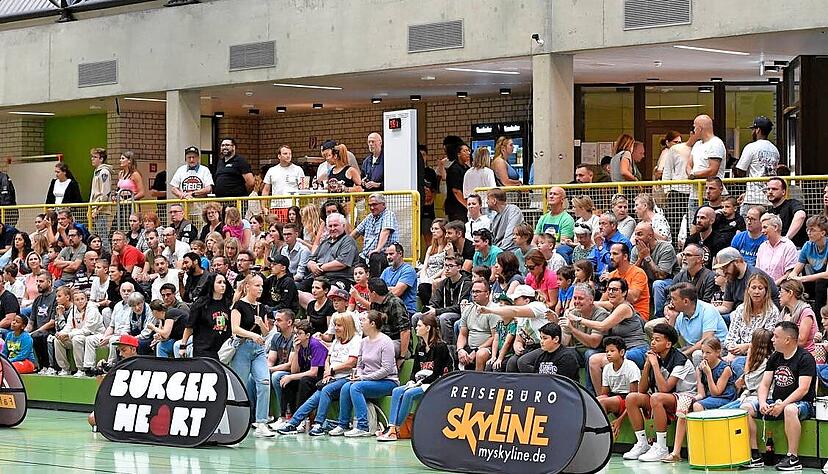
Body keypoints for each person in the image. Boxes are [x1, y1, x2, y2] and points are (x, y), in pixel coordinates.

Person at [742, 321, 817, 471]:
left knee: (790, 409)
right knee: (745, 408)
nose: (772, 339)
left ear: (787, 340)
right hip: (777, 401)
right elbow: (764, 385)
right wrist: (763, 402)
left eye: (776, 336)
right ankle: (755, 454)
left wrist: (782, 405)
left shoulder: (805, 358)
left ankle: (793, 457)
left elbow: (803, 389)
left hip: (803, 404)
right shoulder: (775, 357)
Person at [275, 313, 360, 436]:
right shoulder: (337, 340)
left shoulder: (355, 340)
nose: (336, 328)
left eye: (339, 325)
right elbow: (328, 359)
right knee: (315, 397)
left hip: (346, 377)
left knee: (324, 390)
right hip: (331, 376)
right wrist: (328, 373)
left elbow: (351, 363)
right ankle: (293, 423)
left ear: (347, 326)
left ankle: (318, 424)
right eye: (335, 325)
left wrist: (331, 370)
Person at [622, 323, 697, 462]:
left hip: (686, 397)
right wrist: (647, 365)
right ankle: (642, 443)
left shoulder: (680, 360)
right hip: (664, 397)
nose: (653, 342)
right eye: (652, 339)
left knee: (657, 397)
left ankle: (661, 447)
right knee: (632, 398)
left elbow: (665, 389)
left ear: (668, 344)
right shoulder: (654, 358)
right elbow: (642, 390)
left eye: (657, 339)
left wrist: (655, 365)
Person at [378, 313, 451, 441]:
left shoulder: (440, 347)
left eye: (419, 326)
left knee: (408, 394)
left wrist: (418, 383)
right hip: (421, 382)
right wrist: (412, 381)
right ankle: (391, 428)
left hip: (436, 383)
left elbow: (437, 374)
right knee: (397, 391)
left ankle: (396, 430)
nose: (416, 328)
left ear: (428, 328)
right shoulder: (420, 346)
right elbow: (415, 370)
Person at [663, 337, 737, 463]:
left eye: (708, 352)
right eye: (703, 352)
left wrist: (708, 374)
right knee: (685, 406)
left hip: (725, 399)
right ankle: (676, 452)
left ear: (718, 352)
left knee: (697, 406)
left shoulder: (725, 369)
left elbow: (716, 392)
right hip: (708, 399)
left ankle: (700, 449)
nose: (704, 356)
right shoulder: (700, 368)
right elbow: (701, 393)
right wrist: (688, 400)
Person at [328, 310, 399, 437]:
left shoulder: (386, 341)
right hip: (367, 379)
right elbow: (360, 365)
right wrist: (358, 375)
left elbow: (386, 369)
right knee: (346, 387)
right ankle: (342, 424)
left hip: (387, 381)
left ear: (372, 323)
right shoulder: (363, 341)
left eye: (364, 320)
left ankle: (363, 426)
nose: (361, 322)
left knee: (356, 387)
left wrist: (363, 378)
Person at [229, 274, 274, 438]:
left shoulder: (262, 307)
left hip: (259, 349)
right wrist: (252, 335)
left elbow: (266, 332)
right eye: (257, 285)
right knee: (239, 385)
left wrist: (261, 324)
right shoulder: (238, 305)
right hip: (242, 348)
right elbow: (235, 329)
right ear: (247, 286)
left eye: (261, 286)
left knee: (264, 382)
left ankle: (261, 422)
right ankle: (235, 420)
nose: (260, 289)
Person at [479, 285, 554, 373]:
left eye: (516, 299)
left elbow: (515, 310)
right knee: (511, 362)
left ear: (527, 300)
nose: (513, 302)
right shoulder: (520, 318)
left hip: (545, 345)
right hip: (530, 347)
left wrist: (490, 310)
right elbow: (518, 339)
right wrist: (517, 346)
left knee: (523, 362)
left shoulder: (537, 306)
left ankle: (537, 384)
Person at [724, 272, 780, 376]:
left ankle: (747, 388)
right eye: (753, 287)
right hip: (736, 352)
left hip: (760, 355)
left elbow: (769, 342)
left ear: (766, 291)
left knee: (737, 364)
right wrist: (731, 351)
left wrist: (746, 347)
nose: (756, 291)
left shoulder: (772, 311)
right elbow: (730, 337)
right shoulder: (741, 309)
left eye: (760, 288)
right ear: (748, 290)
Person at [413, 255, 471, 346]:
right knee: (417, 316)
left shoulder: (466, 283)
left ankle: (448, 349)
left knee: (444, 318)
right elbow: (434, 301)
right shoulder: (443, 283)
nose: (447, 269)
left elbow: (460, 307)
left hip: (459, 314)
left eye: (451, 266)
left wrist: (437, 311)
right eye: (445, 265)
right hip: (442, 312)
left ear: (459, 267)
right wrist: (430, 309)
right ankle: (424, 348)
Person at [663, 283, 727, 366]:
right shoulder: (679, 314)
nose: (671, 302)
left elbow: (706, 341)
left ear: (686, 301)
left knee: (697, 354)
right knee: (665, 353)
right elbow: (669, 340)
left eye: (674, 299)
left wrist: (683, 354)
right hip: (692, 346)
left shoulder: (708, 310)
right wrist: (672, 317)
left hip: (715, 349)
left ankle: (701, 379)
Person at [714, 246, 779, 319]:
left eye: (726, 267)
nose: (724, 271)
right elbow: (726, 306)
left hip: (760, 314)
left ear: (737, 261)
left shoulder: (754, 277)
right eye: (722, 268)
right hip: (739, 312)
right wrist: (709, 310)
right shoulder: (731, 277)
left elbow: (755, 306)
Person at [179, 273, 232, 360]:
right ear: (212, 284)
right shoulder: (201, 304)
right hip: (203, 349)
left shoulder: (227, 303)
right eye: (219, 282)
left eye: (224, 282)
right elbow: (190, 327)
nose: (223, 285)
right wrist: (183, 345)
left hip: (223, 349)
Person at [301, 213, 358, 292]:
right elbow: (312, 258)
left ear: (343, 226)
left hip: (340, 278)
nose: (332, 228)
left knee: (332, 292)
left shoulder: (348, 241)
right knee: (296, 289)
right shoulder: (325, 242)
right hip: (318, 278)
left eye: (335, 225)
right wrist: (311, 264)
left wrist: (319, 268)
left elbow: (341, 263)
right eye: (330, 226)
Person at [630, 223, 678, 318]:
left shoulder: (666, 248)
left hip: (669, 282)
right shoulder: (635, 249)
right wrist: (640, 258)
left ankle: (659, 318)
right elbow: (631, 274)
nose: (636, 238)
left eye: (639, 234)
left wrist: (647, 257)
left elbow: (661, 275)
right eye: (635, 234)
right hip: (647, 282)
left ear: (650, 236)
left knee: (658, 284)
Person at [597, 336, 641, 439]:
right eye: (606, 351)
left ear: (621, 352)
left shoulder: (631, 366)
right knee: (596, 401)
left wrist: (619, 420)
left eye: (612, 351)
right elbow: (604, 394)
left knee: (602, 402)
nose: (608, 354)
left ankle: (603, 435)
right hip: (614, 398)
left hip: (627, 399)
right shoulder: (607, 368)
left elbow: (634, 397)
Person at [53, 289, 104, 377]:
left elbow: (88, 330)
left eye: (82, 299)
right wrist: (61, 333)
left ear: (86, 299)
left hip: (94, 335)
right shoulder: (73, 310)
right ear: (73, 301)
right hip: (76, 334)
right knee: (57, 340)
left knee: (77, 339)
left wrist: (69, 335)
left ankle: (81, 369)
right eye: (77, 300)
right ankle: (65, 368)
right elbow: (69, 326)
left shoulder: (92, 310)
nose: (80, 301)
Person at [734, 116, 780, 214]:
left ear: (758, 130)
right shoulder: (774, 149)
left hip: (753, 198)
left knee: (748, 226)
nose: (752, 132)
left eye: (753, 129)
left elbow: (740, 170)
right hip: (770, 198)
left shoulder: (751, 147)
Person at [786, 214, 828, 314]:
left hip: (823, 281)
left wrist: (801, 279)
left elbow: (827, 274)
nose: (809, 233)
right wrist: (792, 277)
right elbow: (796, 270)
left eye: (812, 230)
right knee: (791, 283)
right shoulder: (808, 246)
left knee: (820, 283)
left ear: (822, 233)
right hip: (813, 280)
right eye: (807, 230)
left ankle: (818, 321)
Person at [455, 281, 499, 371]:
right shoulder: (468, 309)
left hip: (488, 348)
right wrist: (460, 349)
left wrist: (476, 350)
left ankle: (477, 382)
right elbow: (463, 334)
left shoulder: (493, 310)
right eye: (473, 292)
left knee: (481, 354)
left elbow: (494, 337)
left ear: (487, 294)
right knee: (451, 350)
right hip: (469, 346)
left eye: (478, 292)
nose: (474, 294)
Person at [602, 242, 650, 321]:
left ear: (625, 256)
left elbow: (633, 298)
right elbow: (604, 300)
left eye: (615, 254)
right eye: (610, 254)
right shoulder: (612, 275)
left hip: (637, 317)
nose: (611, 257)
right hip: (616, 314)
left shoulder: (638, 273)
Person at [351, 193, 397, 276]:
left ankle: (375, 284)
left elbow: (385, 231)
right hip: (366, 255)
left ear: (383, 204)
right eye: (370, 205)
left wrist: (378, 249)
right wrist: (343, 244)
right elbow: (356, 232)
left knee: (376, 257)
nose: (372, 208)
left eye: (375, 205)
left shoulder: (388, 215)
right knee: (352, 259)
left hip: (384, 254)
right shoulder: (369, 217)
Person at [262, 144, 305, 214]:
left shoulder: (298, 169)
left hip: (293, 207)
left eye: (290, 154)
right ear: (279, 156)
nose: (288, 156)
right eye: (285, 153)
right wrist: (264, 207)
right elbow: (265, 190)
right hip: (276, 207)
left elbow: (303, 189)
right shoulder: (271, 170)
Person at [756, 212, 797, 284]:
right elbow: (757, 271)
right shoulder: (762, 247)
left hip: (781, 290)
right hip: (763, 289)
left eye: (765, 227)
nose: (762, 231)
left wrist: (772, 286)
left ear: (775, 227)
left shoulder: (788, 246)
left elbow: (789, 274)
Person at [766, 176, 808, 247]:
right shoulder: (769, 212)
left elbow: (801, 215)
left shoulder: (792, 204)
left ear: (783, 192)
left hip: (796, 248)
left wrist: (786, 239)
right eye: (768, 189)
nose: (770, 191)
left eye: (774, 189)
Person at [779, 279, 817, 354]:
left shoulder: (806, 312)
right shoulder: (784, 312)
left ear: (790, 293)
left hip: (805, 355)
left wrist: (787, 325)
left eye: (781, 292)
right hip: (787, 353)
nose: (779, 295)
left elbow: (801, 341)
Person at [687, 114, 726, 182]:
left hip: (711, 188)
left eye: (694, 127)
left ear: (699, 129)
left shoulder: (716, 143)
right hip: (696, 190)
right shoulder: (697, 144)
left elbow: (713, 170)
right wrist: (690, 174)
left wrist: (693, 175)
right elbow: (689, 164)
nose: (693, 130)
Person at [487, 188, 524, 252]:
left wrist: (499, 252)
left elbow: (510, 235)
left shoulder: (513, 210)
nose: (486, 202)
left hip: (512, 251)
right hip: (499, 250)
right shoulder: (495, 217)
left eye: (488, 199)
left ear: (494, 201)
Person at [443, 138, 470, 223]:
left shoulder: (467, 168)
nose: (468, 153)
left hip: (465, 207)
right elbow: (456, 191)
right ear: (458, 154)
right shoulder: (454, 169)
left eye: (468, 151)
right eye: (465, 151)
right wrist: (467, 205)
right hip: (456, 208)